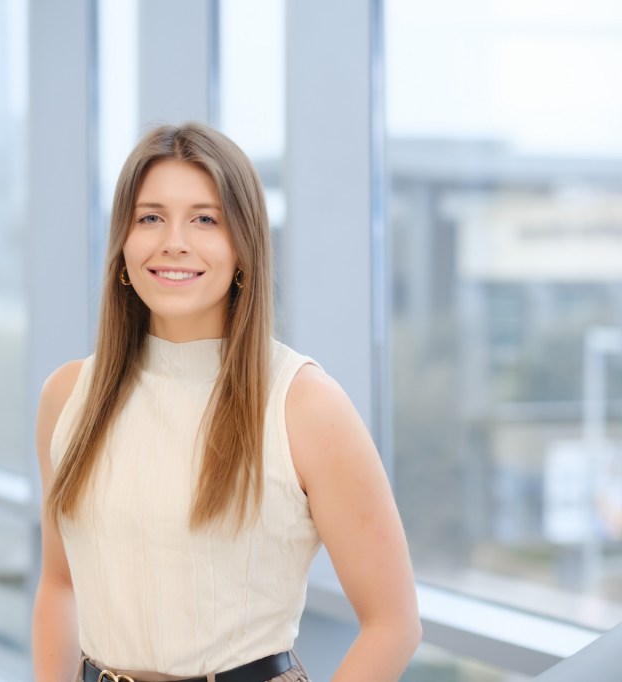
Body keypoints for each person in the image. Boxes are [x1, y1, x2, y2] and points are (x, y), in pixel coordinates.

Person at [32, 122, 421, 682]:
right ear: (122, 246)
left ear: (243, 247)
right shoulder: (69, 396)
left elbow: (393, 623)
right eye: (150, 218)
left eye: (205, 219)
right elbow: (60, 583)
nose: (174, 241)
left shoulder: (303, 404)